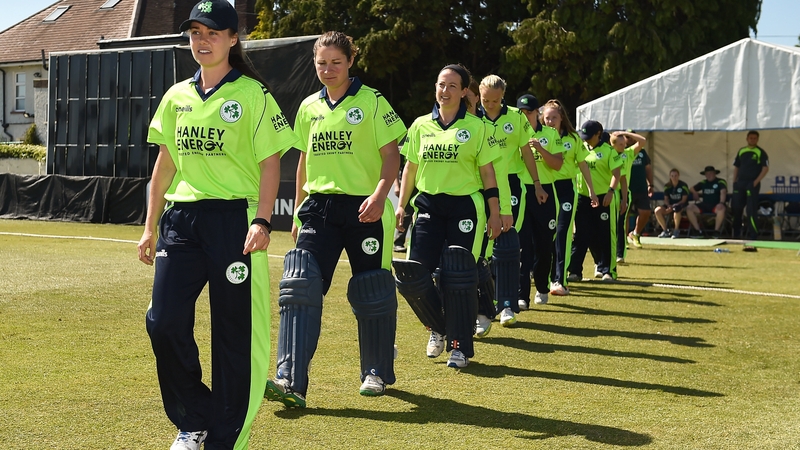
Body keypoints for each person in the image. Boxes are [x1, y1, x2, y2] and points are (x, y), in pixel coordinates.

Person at [137, 1, 299, 448]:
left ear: (232, 38)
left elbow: (271, 163)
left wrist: (264, 220)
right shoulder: (176, 97)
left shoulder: (251, 94)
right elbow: (163, 168)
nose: (201, 40)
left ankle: (224, 436)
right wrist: (150, 226)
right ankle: (194, 419)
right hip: (182, 221)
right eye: (194, 32)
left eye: (211, 32)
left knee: (232, 334)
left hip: (234, 221)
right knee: (163, 322)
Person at [264, 31, 407, 408]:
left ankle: (375, 371)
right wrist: (298, 209)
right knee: (300, 286)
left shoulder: (372, 101)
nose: (328, 70)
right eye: (321, 63)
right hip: (319, 209)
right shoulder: (309, 106)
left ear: (351, 62)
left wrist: (380, 195)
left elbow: (392, 156)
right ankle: (290, 380)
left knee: (372, 290)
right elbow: (303, 162)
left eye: (336, 62)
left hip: (365, 208)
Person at [394, 64, 502, 369]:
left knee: (459, 275)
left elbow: (487, 172)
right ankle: (438, 327)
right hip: (427, 205)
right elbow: (410, 169)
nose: (445, 91)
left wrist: (495, 212)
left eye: (453, 86)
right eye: (441, 84)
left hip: (464, 207)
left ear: (465, 91)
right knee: (415, 274)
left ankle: (459, 346)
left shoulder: (477, 127)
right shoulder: (419, 126)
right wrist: (402, 205)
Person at [473, 75, 543, 333]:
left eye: (495, 100)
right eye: (485, 100)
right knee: (482, 248)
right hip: (480, 185)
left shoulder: (516, 117)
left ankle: (507, 305)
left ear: (503, 96)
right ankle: (484, 306)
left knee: (508, 242)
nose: (490, 105)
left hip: (511, 184)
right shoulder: (473, 118)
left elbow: (526, 152)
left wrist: (536, 183)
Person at [541, 99, 597, 296]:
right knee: (548, 233)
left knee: (563, 232)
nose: (550, 121)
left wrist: (591, 189)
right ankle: (544, 277)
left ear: (561, 118)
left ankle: (560, 280)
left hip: (566, 189)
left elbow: (583, 165)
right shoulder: (539, 136)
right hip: (546, 188)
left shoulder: (573, 139)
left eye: (554, 117)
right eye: (547, 118)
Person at [516, 94, 563, 307]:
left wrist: (540, 149)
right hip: (521, 191)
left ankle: (542, 286)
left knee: (544, 246)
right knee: (522, 245)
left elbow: (557, 165)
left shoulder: (551, 135)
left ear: (538, 113)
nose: (525, 116)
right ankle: (522, 295)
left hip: (544, 192)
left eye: (529, 112)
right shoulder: (514, 134)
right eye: (521, 112)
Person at [567, 120, 623, 281]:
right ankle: (575, 271)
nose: (586, 139)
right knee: (580, 236)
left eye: (589, 136)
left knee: (605, 234)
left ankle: (608, 271)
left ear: (599, 134)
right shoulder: (581, 148)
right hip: (583, 198)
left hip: (604, 198)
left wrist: (611, 192)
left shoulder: (608, 151)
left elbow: (617, 173)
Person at [731, 130, 769, 240]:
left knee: (751, 210)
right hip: (740, 183)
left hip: (752, 184)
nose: (752, 140)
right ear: (747, 139)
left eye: (755, 138)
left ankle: (753, 235)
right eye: (751, 138)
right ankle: (736, 233)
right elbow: (736, 167)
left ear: (757, 139)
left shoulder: (760, 152)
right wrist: (734, 182)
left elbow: (765, 168)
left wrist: (755, 182)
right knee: (736, 208)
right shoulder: (742, 151)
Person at [624, 132, 654, 249]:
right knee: (624, 214)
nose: (630, 139)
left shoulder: (641, 152)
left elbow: (648, 169)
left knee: (645, 212)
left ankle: (635, 234)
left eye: (632, 136)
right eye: (627, 137)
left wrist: (651, 184)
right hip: (626, 188)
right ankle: (623, 239)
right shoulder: (621, 151)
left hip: (641, 188)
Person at [686, 166, 728, 238]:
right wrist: (695, 193)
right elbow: (691, 188)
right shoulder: (703, 182)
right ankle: (698, 231)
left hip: (716, 205)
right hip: (705, 205)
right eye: (707, 174)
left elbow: (723, 192)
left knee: (721, 208)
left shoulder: (721, 181)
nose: (709, 175)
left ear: (715, 173)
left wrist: (721, 203)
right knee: (689, 208)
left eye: (711, 173)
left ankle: (716, 232)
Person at [654, 169, 690, 238]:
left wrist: (674, 206)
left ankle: (676, 230)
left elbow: (683, 200)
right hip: (670, 205)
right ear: (670, 176)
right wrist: (668, 205)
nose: (674, 177)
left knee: (676, 209)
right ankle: (665, 230)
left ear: (678, 176)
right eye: (672, 176)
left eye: (676, 176)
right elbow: (666, 199)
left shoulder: (683, 185)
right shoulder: (667, 186)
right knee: (657, 210)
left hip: (680, 205)